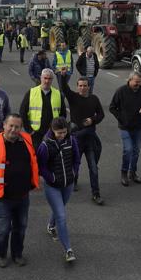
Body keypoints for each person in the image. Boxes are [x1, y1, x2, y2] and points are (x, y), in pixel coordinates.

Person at [0, 114, 39, 268]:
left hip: (23, 196)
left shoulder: (27, 141)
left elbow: (33, 162)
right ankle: (2, 254)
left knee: (21, 228)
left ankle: (17, 253)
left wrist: (31, 184)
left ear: (21, 128)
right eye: (10, 125)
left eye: (17, 127)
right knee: (3, 230)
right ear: (4, 125)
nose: (13, 129)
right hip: (2, 197)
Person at [36, 117, 80, 263]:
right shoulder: (45, 146)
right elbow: (41, 166)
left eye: (64, 132)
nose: (62, 135)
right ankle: (68, 249)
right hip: (52, 186)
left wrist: (73, 173)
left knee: (58, 210)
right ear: (52, 130)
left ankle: (50, 225)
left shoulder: (72, 140)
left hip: (68, 184)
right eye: (59, 133)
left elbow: (76, 159)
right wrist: (52, 178)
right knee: (61, 215)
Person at [61, 75, 106, 204]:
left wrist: (93, 120)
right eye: (80, 85)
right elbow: (64, 88)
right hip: (77, 139)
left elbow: (101, 114)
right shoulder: (73, 97)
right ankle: (74, 180)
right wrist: (63, 76)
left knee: (93, 167)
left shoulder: (94, 99)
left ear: (88, 86)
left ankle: (96, 194)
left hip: (90, 140)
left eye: (85, 85)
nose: (82, 88)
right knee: (75, 164)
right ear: (77, 87)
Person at [109, 71, 141, 186]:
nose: (138, 84)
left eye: (139, 82)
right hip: (125, 127)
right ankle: (124, 173)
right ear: (129, 80)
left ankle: (132, 172)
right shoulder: (121, 91)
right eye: (136, 82)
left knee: (136, 151)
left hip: (138, 127)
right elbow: (112, 107)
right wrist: (121, 118)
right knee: (128, 150)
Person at [20, 68, 67, 148]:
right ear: (41, 78)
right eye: (45, 78)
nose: (47, 81)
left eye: (49, 79)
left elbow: (63, 114)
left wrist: (59, 130)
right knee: (36, 157)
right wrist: (29, 130)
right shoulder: (31, 92)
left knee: (51, 157)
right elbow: (22, 112)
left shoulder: (58, 94)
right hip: (36, 133)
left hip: (52, 133)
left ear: (52, 80)